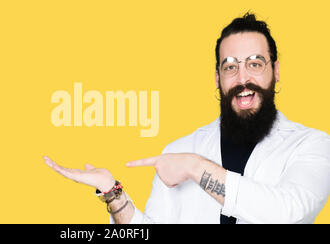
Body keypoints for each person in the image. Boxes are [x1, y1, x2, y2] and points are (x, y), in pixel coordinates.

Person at [43, 13, 330, 224]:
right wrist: (113, 193)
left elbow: (287, 212)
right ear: (217, 78)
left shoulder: (312, 145)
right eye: (230, 67)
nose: (243, 78)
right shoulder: (180, 149)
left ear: (276, 71)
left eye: (255, 64)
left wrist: (195, 167)